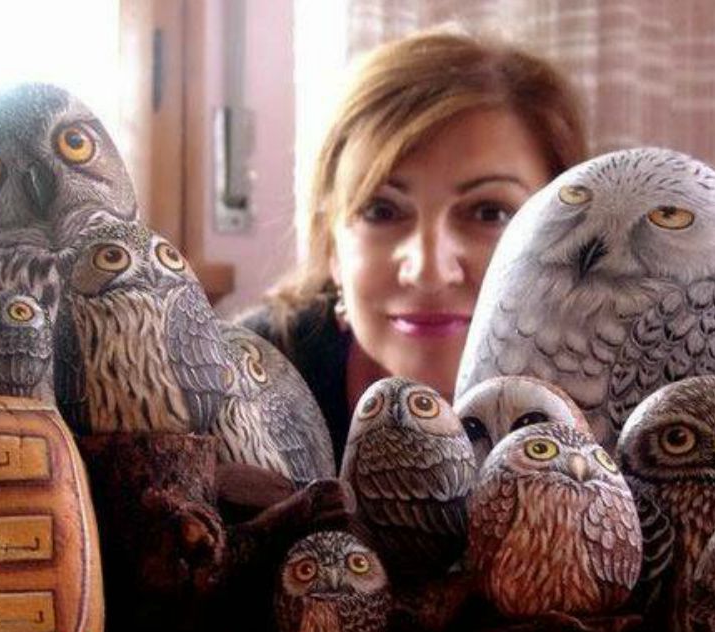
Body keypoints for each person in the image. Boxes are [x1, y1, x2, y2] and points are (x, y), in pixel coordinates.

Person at [237, 28, 588, 466]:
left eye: (489, 213)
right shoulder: (244, 378)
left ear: (568, 236)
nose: (428, 270)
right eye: (382, 210)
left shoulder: (619, 391)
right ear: (331, 245)